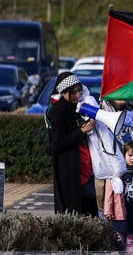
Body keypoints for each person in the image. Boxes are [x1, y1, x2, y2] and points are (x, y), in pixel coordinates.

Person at [45, 71, 98, 216]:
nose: (76, 95)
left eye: (78, 91)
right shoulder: (57, 111)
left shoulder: (76, 108)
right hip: (70, 170)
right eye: (72, 92)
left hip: (84, 167)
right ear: (63, 92)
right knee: (74, 212)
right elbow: (57, 144)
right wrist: (82, 131)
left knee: (89, 211)